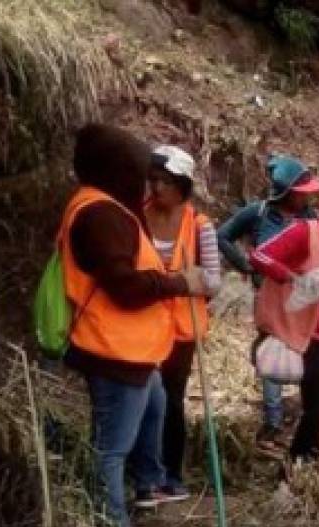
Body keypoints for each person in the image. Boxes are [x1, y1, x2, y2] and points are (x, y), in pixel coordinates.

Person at [57, 124, 206, 527]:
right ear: (115, 170)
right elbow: (125, 287)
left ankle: (148, 484)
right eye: (142, 175)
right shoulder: (102, 214)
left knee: (155, 404)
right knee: (111, 447)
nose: (147, 186)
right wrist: (179, 283)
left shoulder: (108, 207)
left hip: (133, 351)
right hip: (113, 351)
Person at [248, 195, 319, 465]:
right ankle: (300, 461)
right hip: (299, 332)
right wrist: (288, 275)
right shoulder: (304, 232)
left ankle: (304, 460)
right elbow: (259, 256)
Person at [217, 155, 319, 444]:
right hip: (268, 295)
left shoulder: (310, 219)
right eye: (302, 194)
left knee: (304, 348)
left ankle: (303, 414)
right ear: (287, 193)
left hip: (302, 297)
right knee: (273, 350)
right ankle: (273, 422)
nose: (308, 197)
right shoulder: (258, 213)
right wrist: (246, 265)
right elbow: (222, 236)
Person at [145, 145, 221, 500]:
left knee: (171, 400)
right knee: (144, 398)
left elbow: (214, 281)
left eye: (166, 182)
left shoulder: (198, 225)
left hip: (181, 328)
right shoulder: (138, 217)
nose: (157, 188)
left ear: (183, 186)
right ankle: (143, 472)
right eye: (154, 180)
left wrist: (187, 279)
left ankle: (170, 474)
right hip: (141, 324)